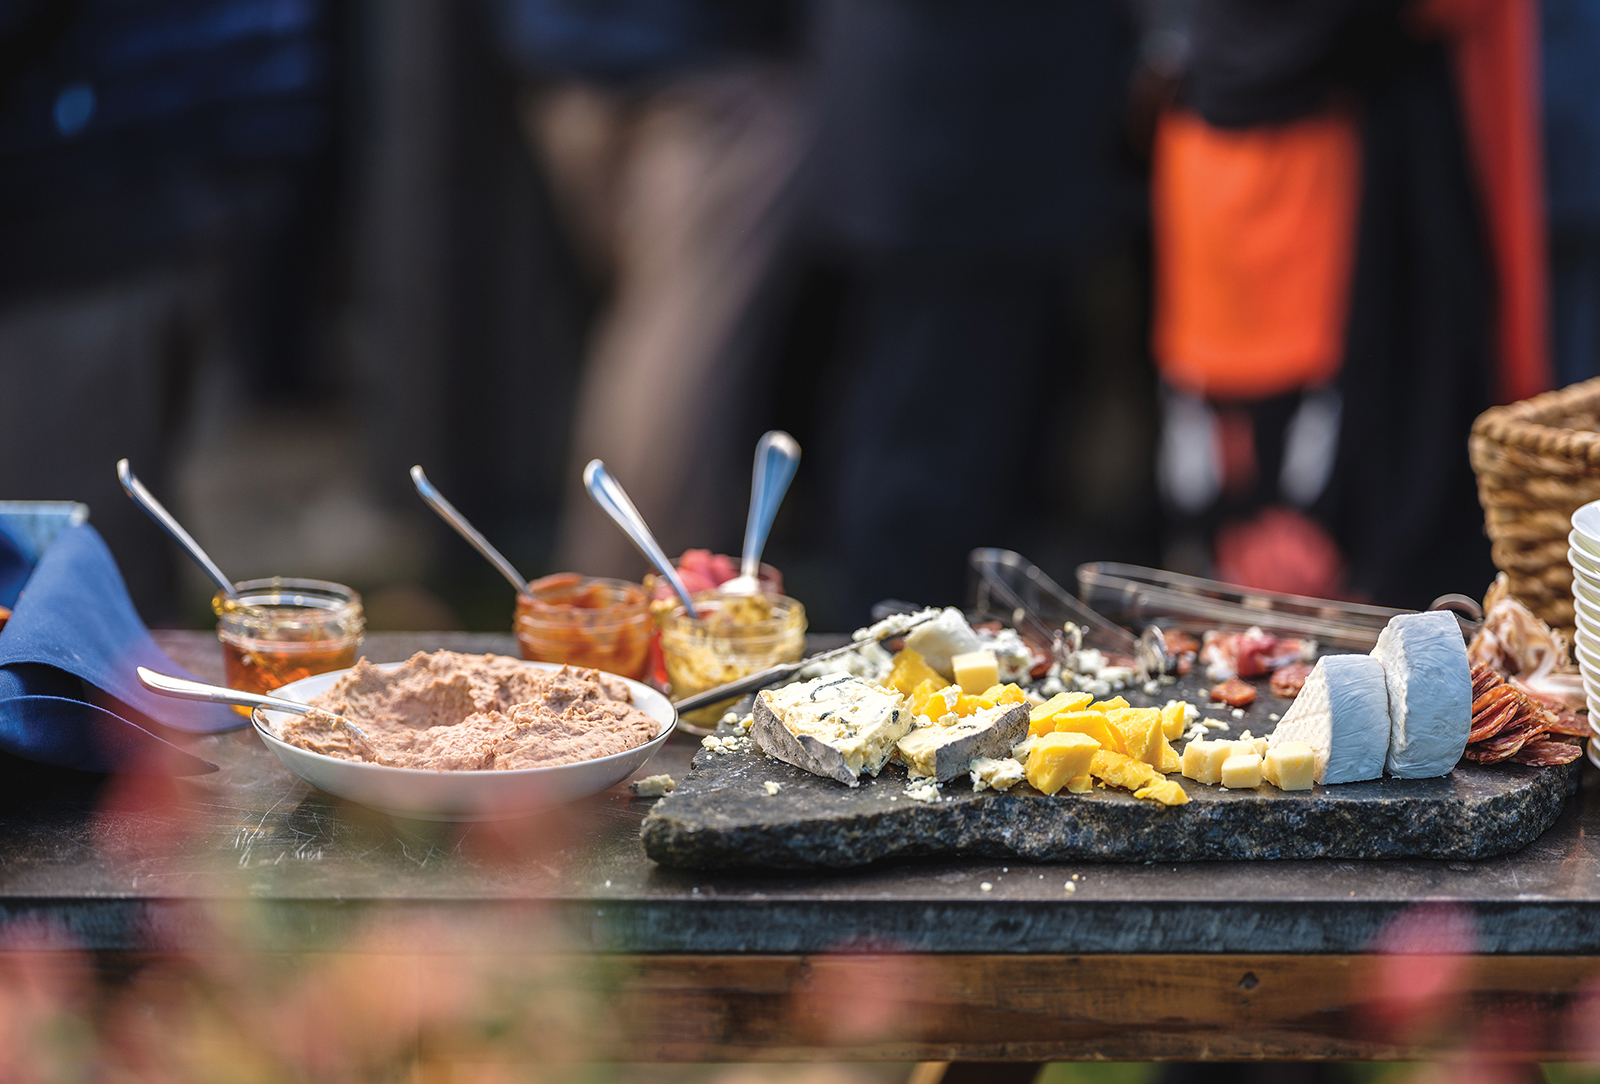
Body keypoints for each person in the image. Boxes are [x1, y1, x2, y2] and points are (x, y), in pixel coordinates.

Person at [483, 0, 807, 577]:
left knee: (644, 336)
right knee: (669, 359)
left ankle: (635, 605)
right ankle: (623, 621)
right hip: (704, 67)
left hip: (570, 60)